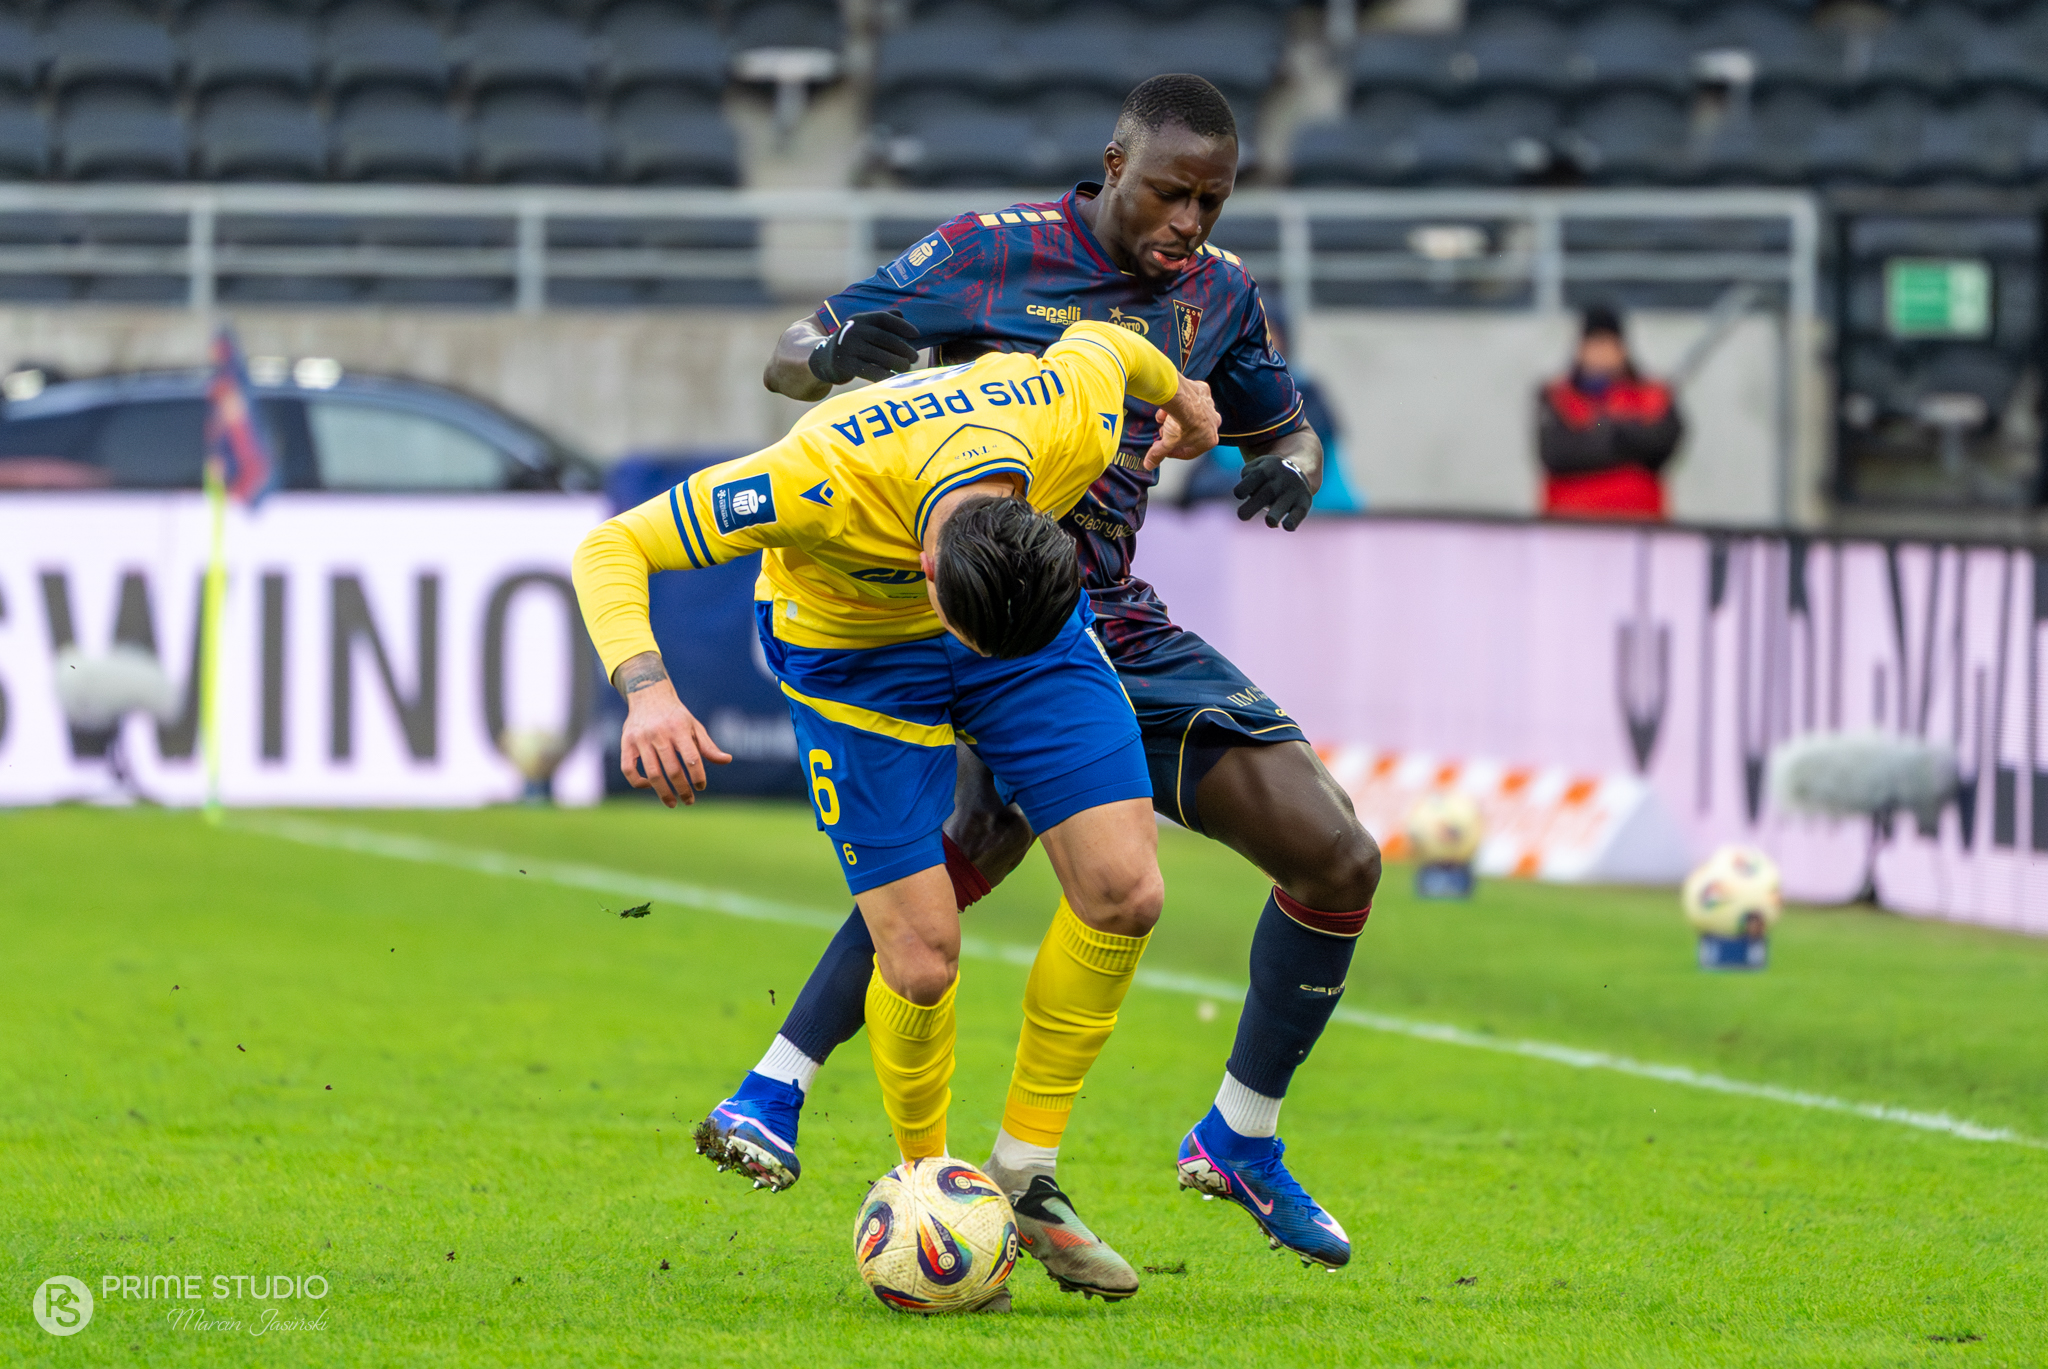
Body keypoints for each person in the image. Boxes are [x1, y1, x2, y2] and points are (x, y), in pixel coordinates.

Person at [696, 73, 1381, 1296]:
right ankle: (836, 1104)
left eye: (1212, 201)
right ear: (1113, 165)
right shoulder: (988, 252)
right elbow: (788, 359)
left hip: (1111, 613)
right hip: (975, 619)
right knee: (966, 851)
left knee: (1337, 858)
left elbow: (1279, 423)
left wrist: (1291, 459)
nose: (1188, 222)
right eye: (1169, 192)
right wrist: (833, 354)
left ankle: (1237, 1135)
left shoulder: (1220, 293)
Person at [573, 319, 1219, 1311]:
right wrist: (647, 688)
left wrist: (1181, 396)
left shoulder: (1068, 417)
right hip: (855, 657)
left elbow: (1105, 341)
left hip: (1036, 632)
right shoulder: (814, 479)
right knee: (918, 959)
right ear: (923, 569)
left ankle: (1023, 1171)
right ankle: (930, 1183)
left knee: (1125, 890)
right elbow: (613, 543)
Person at [1537, 304, 1684, 520]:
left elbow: (1661, 443)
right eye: (1593, 344)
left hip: (1640, 524)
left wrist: (1599, 429)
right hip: (1570, 527)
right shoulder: (1557, 395)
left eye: (1607, 343)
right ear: (1579, 349)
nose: (1600, 353)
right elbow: (1557, 453)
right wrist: (1623, 434)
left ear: (1623, 349)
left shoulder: (1652, 393)